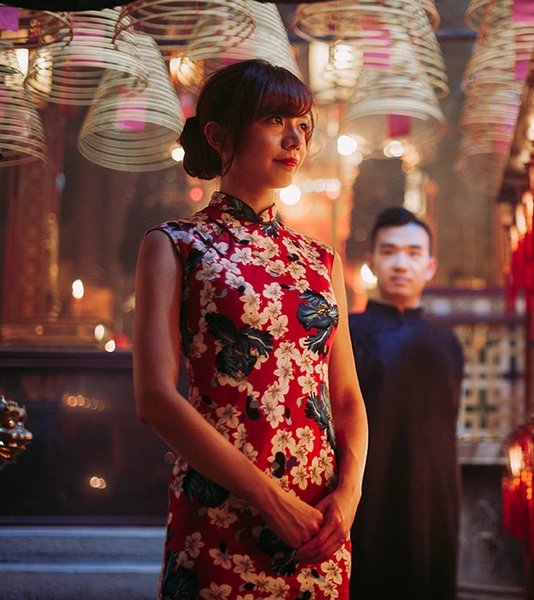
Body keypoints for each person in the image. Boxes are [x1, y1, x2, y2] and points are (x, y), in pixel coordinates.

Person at [132, 60, 367, 600]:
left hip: (318, 522)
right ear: (219, 135)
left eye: (304, 126)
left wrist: (349, 495)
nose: (295, 139)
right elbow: (154, 399)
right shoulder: (175, 245)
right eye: (274, 120)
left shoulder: (321, 261)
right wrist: (269, 499)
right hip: (222, 514)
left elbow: (348, 397)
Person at [348, 207, 464, 600]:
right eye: (390, 251)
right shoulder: (346, 333)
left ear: (430, 266)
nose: (401, 263)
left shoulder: (447, 343)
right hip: (365, 494)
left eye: (413, 253)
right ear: (372, 262)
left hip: (435, 497)